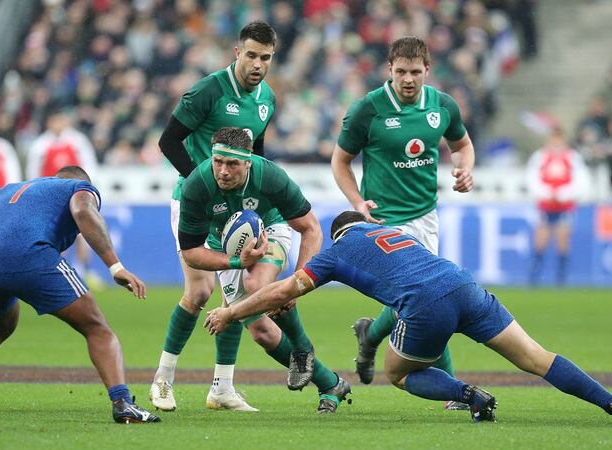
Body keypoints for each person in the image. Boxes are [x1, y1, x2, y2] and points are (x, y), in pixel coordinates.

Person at [205, 211, 612, 425]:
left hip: (424, 304)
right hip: (463, 283)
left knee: (398, 372)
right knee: (537, 357)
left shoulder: (337, 252)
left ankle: (469, 395)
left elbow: (281, 290)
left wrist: (230, 311)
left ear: (340, 232)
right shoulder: (390, 231)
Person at [0, 166, 160, 424]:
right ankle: (123, 403)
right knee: (97, 328)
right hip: (31, 256)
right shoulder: (78, 187)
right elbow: (82, 210)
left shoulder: (1, 193)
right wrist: (116, 267)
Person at [330, 36, 474, 406]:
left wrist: (464, 170)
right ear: (388, 70)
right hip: (386, 220)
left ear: (428, 70)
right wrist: (358, 201)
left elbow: (462, 145)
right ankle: (454, 390)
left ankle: (370, 336)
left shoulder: (442, 106)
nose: (408, 79)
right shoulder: (369, 109)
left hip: (426, 215)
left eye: (415, 72)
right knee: (430, 298)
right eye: (400, 72)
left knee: (421, 298)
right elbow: (340, 160)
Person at [174, 126, 351, 413]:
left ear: (248, 161)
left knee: (257, 286)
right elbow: (192, 254)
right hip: (227, 245)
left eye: (232, 164)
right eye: (218, 162)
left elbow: (312, 229)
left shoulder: (270, 176)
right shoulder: (196, 184)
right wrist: (235, 262)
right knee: (261, 332)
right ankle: (330, 382)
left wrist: (298, 282)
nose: (223, 171)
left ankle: (302, 348)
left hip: (271, 227)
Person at [151, 21, 280, 412]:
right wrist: (199, 184)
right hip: (192, 202)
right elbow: (168, 140)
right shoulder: (209, 90)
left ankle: (222, 387)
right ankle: (162, 380)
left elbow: (255, 157)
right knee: (200, 291)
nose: (258, 64)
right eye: (252, 55)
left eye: (266, 58)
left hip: (235, 209)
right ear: (237, 53)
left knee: (236, 296)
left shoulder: (267, 100)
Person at [26, 111, 101, 287]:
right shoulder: (40, 145)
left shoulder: (78, 141)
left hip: (76, 195)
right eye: (55, 119)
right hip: (51, 199)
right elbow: (33, 173)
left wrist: (89, 191)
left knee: (83, 233)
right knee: (56, 235)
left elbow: (90, 166)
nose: (58, 123)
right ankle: (59, 271)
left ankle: (86, 271)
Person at [525, 126, 588, 285]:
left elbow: (580, 180)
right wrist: (546, 193)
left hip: (564, 206)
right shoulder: (540, 157)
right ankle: (534, 276)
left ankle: (561, 277)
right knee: (541, 240)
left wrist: (564, 194)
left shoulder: (573, 157)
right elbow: (532, 179)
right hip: (546, 205)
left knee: (563, 240)